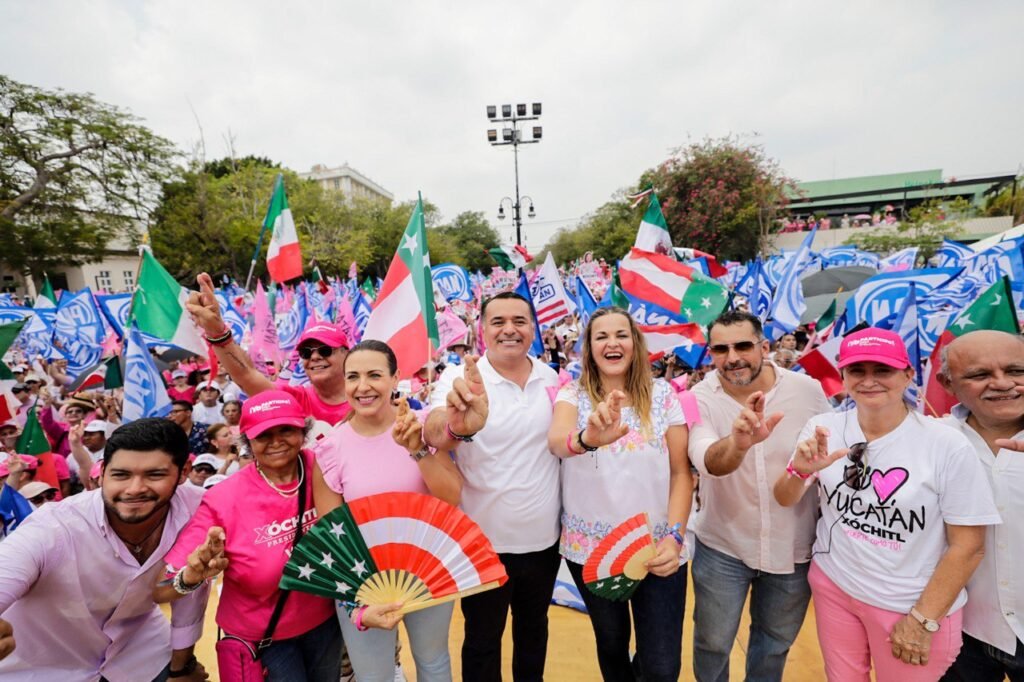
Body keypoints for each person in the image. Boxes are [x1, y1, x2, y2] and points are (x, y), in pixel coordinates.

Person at [775, 327, 1000, 680]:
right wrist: (799, 471)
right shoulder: (823, 428)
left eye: (883, 370)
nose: (869, 381)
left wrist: (922, 620)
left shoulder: (945, 444)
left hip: (908, 605)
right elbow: (785, 497)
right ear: (843, 376)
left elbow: (969, 545)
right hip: (834, 586)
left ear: (908, 375)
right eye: (857, 370)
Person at [0, 418, 210, 680]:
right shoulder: (54, 527)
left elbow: (192, 586)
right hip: (39, 668)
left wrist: (181, 667)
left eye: (154, 475)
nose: (134, 489)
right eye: (120, 475)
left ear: (184, 472)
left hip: (141, 653)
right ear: (102, 473)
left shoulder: (200, 510)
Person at [548, 307, 694, 680]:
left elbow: (682, 472)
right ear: (589, 348)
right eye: (601, 336)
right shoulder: (572, 395)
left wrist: (675, 537)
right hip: (592, 552)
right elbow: (558, 442)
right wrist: (588, 438)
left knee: (662, 666)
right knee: (612, 647)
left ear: (635, 343)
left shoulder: (664, 396)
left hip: (659, 549)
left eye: (621, 335)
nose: (612, 343)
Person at [156, 390, 341, 681]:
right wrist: (190, 577)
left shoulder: (325, 467)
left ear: (303, 432)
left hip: (325, 624)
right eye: (264, 435)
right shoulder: (224, 498)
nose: (276, 441)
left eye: (286, 430)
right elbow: (160, 588)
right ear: (247, 441)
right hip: (264, 640)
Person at [687, 310, 832, 682]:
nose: (732, 357)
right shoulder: (695, 398)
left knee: (773, 645)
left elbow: (830, 451)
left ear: (764, 347)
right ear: (710, 353)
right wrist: (738, 444)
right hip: (722, 547)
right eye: (721, 349)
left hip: (793, 547)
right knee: (712, 643)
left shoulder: (808, 390)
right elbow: (706, 461)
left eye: (743, 346)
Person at [424, 291, 562, 680]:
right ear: (482, 329)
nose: (509, 330)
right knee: (482, 644)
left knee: (533, 635)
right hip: (482, 545)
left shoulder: (551, 378)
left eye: (519, 321)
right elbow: (433, 430)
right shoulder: (460, 378)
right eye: (498, 322)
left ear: (533, 327)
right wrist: (457, 426)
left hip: (543, 542)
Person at [312, 340, 463, 681]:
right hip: (364, 582)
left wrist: (417, 449)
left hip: (429, 571)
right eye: (353, 377)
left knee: (434, 663)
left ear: (395, 379)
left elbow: (451, 496)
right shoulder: (330, 449)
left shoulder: (421, 426)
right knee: (373, 676)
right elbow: (333, 535)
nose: (362, 386)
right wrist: (357, 603)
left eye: (374, 375)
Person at [935, 330, 1024, 679]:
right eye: (980, 374)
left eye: (1016, 370)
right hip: (963, 631)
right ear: (947, 383)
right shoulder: (931, 440)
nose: (1002, 384)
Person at [187, 272, 350, 434]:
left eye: (325, 350)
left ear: (347, 355)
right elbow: (246, 376)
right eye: (306, 353)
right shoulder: (294, 399)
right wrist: (216, 332)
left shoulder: (363, 396)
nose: (314, 357)